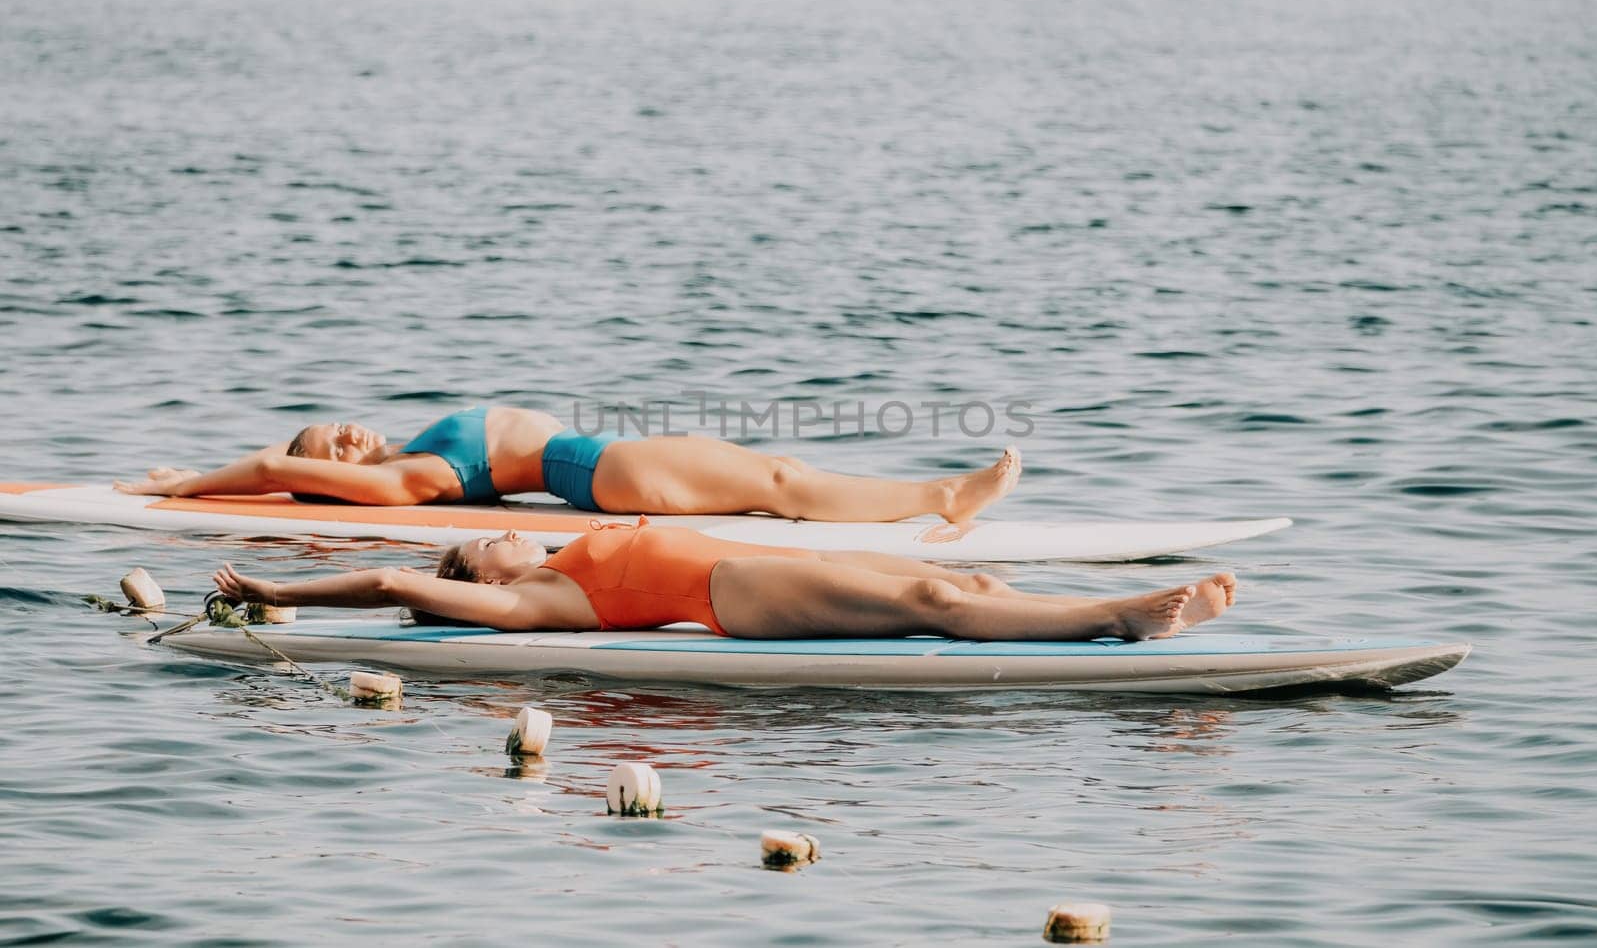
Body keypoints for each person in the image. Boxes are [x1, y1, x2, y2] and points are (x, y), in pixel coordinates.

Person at [211, 524, 1238, 642]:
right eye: (495, 546)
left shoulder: (560, 559)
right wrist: (275, 592)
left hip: (763, 567)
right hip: (737, 592)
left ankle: (1089, 613)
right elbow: (397, 578)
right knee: (932, 607)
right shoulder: (535, 599)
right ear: (475, 577)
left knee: (952, 575)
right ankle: (1118, 618)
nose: (514, 540)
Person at [116, 405, 1020, 522]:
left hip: (605, 465)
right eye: (327, 452)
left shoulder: (416, 450)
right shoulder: (415, 477)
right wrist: (189, 482)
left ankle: (935, 496)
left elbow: (291, 459)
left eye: (331, 427)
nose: (343, 436)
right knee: (778, 486)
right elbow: (281, 467)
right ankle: (944, 496)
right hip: (606, 471)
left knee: (774, 473)